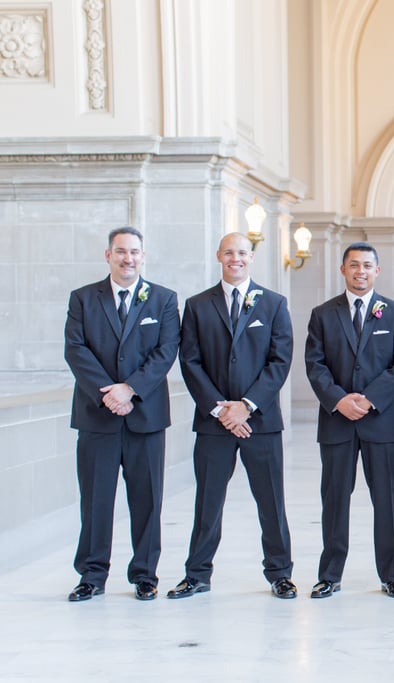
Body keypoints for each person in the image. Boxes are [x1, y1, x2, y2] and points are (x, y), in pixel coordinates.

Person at [168, 232, 296, 600]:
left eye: (241, 252)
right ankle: (197, 574)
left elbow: (280, 360)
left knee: (271, 501)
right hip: (213, 423)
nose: (235, 258)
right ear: (218, 256)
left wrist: (247, 405)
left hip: (261, 422)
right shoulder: (197, 305)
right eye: (228, 252)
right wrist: (221, 409)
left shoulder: (273, 303)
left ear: (251, 257)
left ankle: (280, 574)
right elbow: (189, 361)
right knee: (207, 501)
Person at [64, 227, 180, 602]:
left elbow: (165, 352)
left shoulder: (163, 299)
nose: (128, 258)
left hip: (145, 416)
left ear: (143, 257)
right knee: (96, 500)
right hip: (97, 416)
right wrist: (109, 394)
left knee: (147, 500)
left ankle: (145, 575)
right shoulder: (82, 298)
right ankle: (92, 575)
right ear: (108, 255)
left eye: (134, 252)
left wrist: (130, 389)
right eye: (120, 252)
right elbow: (76, 350)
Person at [305, 242, 394, 599]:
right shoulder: (323, 314)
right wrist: (339, 400)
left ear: (377, 271)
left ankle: (391, 575)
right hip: (337, 422)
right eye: (354, 265)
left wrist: (369, 400)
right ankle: (330, 574)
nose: (361, 271)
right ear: (343, 270)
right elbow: (315, 365)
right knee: (335, 499)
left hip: (380, 422)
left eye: (367, 265)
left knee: (387, 499)